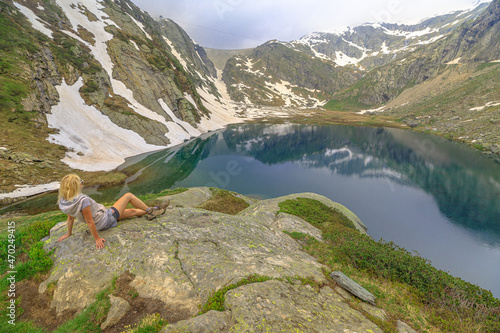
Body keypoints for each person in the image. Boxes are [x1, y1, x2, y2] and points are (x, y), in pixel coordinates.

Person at [57, 174, 169, 249]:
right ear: (76, 186)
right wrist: (97, 239)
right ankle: (151, 211)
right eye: (80, 181)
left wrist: (69, 233)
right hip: (105, 219)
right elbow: (89, 221)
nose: (82, 183)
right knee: (128, 196)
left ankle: (155, 209)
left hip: (101, 220)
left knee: (132, 211)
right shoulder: (83, 201)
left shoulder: (66, 201)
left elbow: (70, 218)